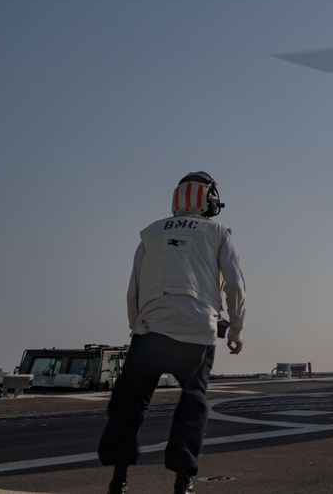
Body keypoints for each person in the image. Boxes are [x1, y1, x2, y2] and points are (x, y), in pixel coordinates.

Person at [98, 172, 246, 494]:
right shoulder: (219, 232)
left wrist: (136, 326)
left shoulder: (150, 233)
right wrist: (235, 329)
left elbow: (132, 290)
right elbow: (235, 284)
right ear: (208, 199)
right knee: (192, 403)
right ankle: (183, 481)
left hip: (150, 331)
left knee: (129, 403)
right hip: (196, 332)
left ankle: (118, 478)